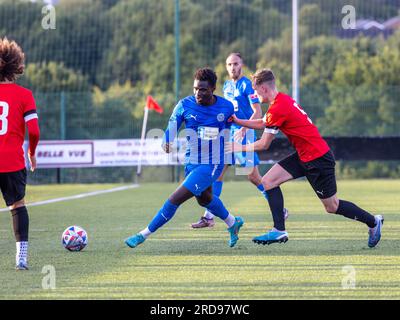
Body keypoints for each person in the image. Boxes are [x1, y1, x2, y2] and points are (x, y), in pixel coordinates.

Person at [228, 68, 383, 247]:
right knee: (268, 181)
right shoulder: (281, 101)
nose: (254, 94)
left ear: (263, 88)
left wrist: (238, 147)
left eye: (256, 90)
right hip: (304, 155)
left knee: (332, 206)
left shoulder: (278, 107)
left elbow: (264, 144)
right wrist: (239, 121)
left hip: (318, 159)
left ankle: (373, 221)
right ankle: (279, 230)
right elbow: (264, 122)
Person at [125, 68, 244, 249]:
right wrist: (167, 140)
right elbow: (172, 125)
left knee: (175, 198)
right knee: (204, 199)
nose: (198, 93)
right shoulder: (184, 105)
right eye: (196, 88)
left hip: (213, 163)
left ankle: (143, 234)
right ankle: (232, 222)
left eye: (203, 89)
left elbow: (239, 123)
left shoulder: (226, 107)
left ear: (213, 88)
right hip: (192, 161)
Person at [191, 53, 288, 229]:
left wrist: (244, 129)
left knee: (253, 176)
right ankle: (209, 217)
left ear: (241, 64)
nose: (232, 67)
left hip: (245, 134)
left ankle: (280, 209)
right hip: (228, 135)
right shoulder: (227, 86)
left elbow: (258, 112)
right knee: (217, 173)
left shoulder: (247, 86)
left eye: (235, 64)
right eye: (229, 64)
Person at [0, 37, 40, 270]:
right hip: (12, 162)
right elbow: (33, 130)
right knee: (17, 206)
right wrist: (32, 153)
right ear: (17, 64)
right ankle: (21, 259)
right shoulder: (24, 95)